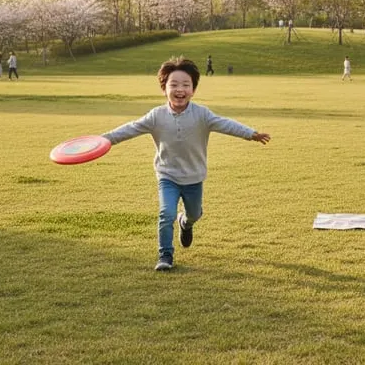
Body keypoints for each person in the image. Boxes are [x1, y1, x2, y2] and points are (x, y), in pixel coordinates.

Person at [101, 57, 270, 271]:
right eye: (173, 85)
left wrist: (251, 134)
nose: (179, 89)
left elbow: (226, 124)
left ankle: (186, 223)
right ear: (164, 89)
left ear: (193, 89)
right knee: (166, 213)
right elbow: (130, 128)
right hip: (167, 175)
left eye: (185, 85)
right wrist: (104, 140)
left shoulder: (202, 114)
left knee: (194, 214)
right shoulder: (156, 116)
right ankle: (165, 256)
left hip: (194, 176)